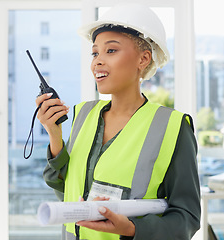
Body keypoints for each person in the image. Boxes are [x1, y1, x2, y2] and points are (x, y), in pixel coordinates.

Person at [37, 3, 201, 240]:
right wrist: (54, 134)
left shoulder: (173, 127)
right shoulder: (83, 115)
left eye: (111, 51)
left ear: (143, 59)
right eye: (95, 53)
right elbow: (66, 191)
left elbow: (187, 217)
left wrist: (133, 230)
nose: (98, 62)